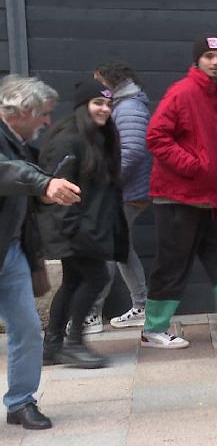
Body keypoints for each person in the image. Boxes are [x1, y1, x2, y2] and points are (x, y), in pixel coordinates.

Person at [141, 36, 217, 349]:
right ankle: (153, 328)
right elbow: (156, 137)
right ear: (197, 60)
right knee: (173, 261)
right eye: (208, 56)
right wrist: (194, 167)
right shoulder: (183, 92)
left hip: (209, 198)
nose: (215, 62)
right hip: (179, 196)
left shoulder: (213, 95)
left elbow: (213, 145)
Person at [0, 75, 80, 430]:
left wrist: (44, 193)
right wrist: (43, 183)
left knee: (27, 328)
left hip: (11, 251)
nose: (48, 122)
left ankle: (20, 402)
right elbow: (6, 172)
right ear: (23, 110)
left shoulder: (17, 141)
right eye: (44, 115)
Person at [38, 81, 129, 370]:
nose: (104, 109)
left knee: (74, 281)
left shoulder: (98, 138)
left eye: (108, 104)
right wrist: (72, 230)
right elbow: (56, 189)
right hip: (73, 228)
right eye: (97, 103)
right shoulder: (69, 140)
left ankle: (53, 346)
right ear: (82, 106)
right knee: (96, 277)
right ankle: (74, 343)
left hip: (87, 227)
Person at [76, 60, 152, 333]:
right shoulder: (124, 105)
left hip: (125, 192)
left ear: (110, 81)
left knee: (106, 250)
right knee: (122, 251)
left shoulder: (129, 107)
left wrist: (106, 181)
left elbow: (131, 152)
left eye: (99, 81)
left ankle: (93, 313)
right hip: (127, 191)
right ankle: (141, 307)